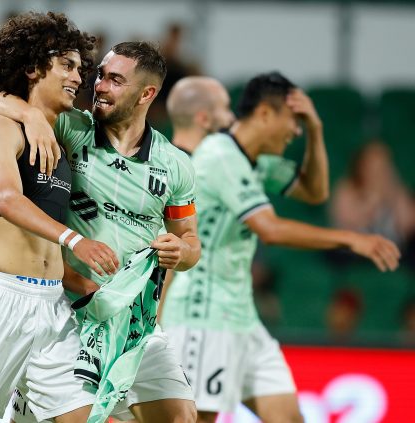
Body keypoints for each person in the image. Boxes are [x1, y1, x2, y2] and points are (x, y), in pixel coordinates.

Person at [0, 41, 200, 423]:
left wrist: (182, 250)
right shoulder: (71, 127)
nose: (99, 86)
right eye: (101, 76)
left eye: (115, 80)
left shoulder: (175, 165)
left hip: (134, 322)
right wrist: (28, 116)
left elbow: (191, 241)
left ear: (146, 94)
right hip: (68, 314)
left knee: (180, 417)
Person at [162, 72, 401, 423]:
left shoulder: (256, 160)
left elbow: (315, 191)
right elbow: (270, 229)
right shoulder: (220, 155)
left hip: (241, 316)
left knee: (289, 418)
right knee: (198, 420)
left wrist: (316, 129)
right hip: (203, 317)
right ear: (264, 115)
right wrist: (351, 238)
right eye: (293, 121)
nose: (296, 131)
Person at [0, 11, 120, 423]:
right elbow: (9, 201)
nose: (77, 77)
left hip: (52, 307)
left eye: (80, 69)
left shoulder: (62, 140)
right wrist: (75, 239)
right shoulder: (1, 128)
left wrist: (83, 283)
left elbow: (42, 244)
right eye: (66, 65)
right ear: (32, 68)